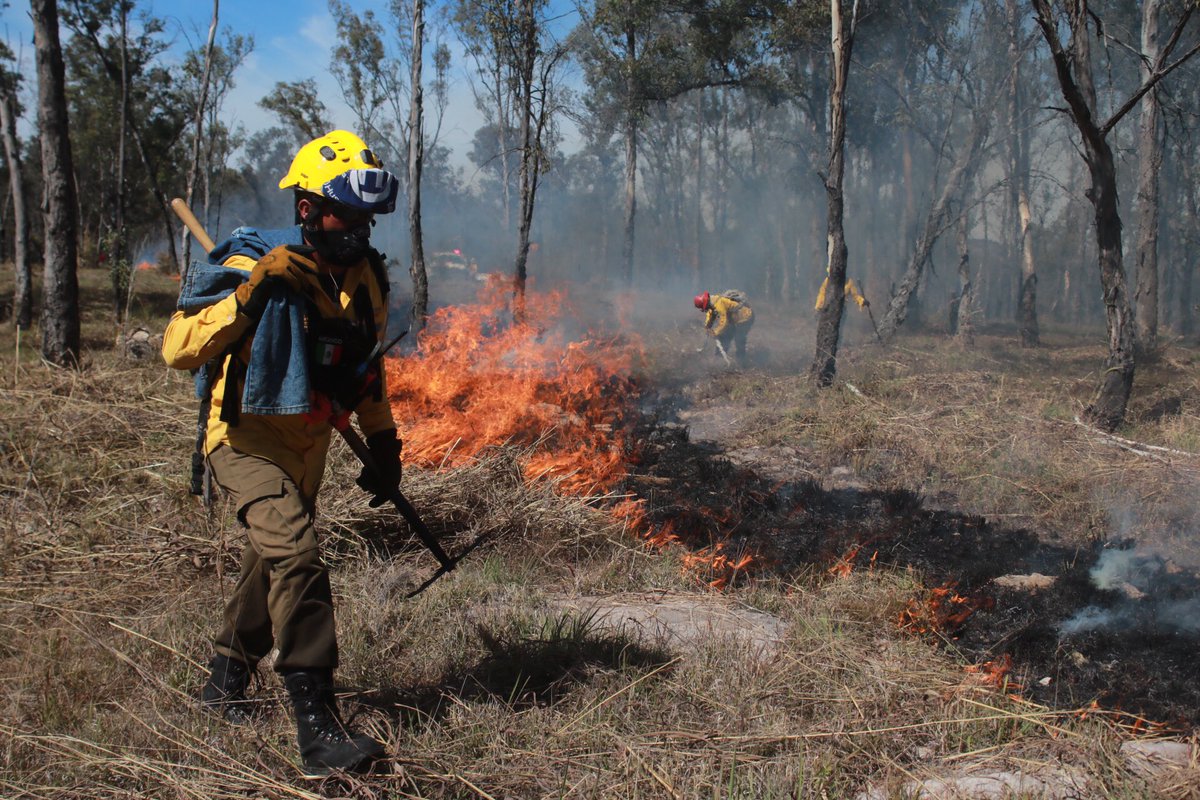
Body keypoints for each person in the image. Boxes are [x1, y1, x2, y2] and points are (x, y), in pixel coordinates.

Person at [161, 130, 403, 776]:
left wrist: (383, 441)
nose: (357, 229)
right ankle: (319, 731)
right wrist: (250, 298)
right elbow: (177, 346)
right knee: (297, 555)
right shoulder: (256, 264)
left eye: (366, 217)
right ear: (306, 210)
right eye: (344, 213)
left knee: (268, 566)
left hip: (307, 451)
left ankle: (222, 685)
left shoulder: (368, 284)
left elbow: (367, 373)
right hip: (243, 440)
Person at [694, 290, 754, 364]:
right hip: (734, 320)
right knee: (725, 335)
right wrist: (707, 326)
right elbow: (709, 314)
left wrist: (715, 332)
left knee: (739, 339)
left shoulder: (718, 304)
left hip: (745, 317)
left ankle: (742, 361)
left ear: (705, 303)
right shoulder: (711, 302)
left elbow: (724, 321)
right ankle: (719, 359)